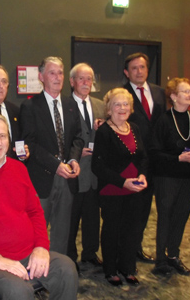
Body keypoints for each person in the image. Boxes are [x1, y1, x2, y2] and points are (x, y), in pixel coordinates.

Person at [0, 114, 78, 299]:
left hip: (26, 251)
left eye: (3, 136)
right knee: (18, 290)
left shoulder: (18, 169)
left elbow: (34, 211)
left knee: (66, 269)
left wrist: (41, 247)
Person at [20, 57, 84, 255]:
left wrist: (73, 159)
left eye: (60, 73)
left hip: (68, 181)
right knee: (35, 234)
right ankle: (35, 276)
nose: (57, 78)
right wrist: (56, 165)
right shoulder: (30, 107)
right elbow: (30, 143)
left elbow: (78, 138)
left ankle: (57, 273)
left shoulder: (71, 105)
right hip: (42, 179)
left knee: (62, 235)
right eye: (52, 73)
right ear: (41, 77)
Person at [92, 88, 148, 286]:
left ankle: (128, 267)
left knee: (132, 231)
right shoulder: (104, 132)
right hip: (112, 191)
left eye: (126, 104)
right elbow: (97, 166)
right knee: (112, 231)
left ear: (131, 108)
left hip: (135, 191)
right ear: (109, 109)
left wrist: (142, 175)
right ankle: (110, 270)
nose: (122, 108)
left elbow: (143, 157)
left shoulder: (134, 128)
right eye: (117, 104)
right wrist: (123, 182)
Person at [149, 78, 190, 276]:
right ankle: (160, 260)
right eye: (185, 92)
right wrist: (177, 157)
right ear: (173, 96)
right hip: (167, 177)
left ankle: (173, 255)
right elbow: (154, 152)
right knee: (165, 217)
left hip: (189, 178)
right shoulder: (163, 121)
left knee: (181, 216)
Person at [122, 52, 166, 263]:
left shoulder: (160, 92)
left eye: (142, 67)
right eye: (134, 68)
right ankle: (127, 249)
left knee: (146, 208)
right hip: (132, 161)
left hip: (156, 161)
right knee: (132, 209)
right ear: (126, 72)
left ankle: (137, 246)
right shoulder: (121, 94)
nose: (139, 71)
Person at [67, 63, 105, 269]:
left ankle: (90, 253)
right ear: (72, 82)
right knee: (71, 220)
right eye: (81, 79)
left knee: (92, 218)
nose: (85, 83)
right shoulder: (64, 105)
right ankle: (70, 258)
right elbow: (59, 139)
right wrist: (73, 153)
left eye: (89, 79)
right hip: (73, 172)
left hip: (94, 174)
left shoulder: (101, 105)